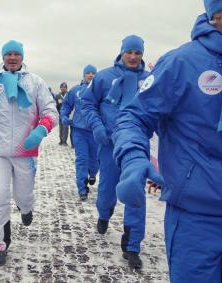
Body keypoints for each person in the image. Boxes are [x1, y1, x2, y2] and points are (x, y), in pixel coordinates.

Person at [112, 1, 222, 281]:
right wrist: (133, 158)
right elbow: (134, 117)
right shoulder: (182, 62)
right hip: (200, 216)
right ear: (215, 14)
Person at [0, 40, 58, 266]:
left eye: (15, 54)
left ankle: (26, 208)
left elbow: (50, 110)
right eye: (7, 54)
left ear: (21, 57)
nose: (11, 58)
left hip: (25, 149)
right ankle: (0, 245)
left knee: (23, 195)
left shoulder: (35, 81)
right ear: (3, 57)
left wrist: (41, 129)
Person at [80, 35, 149, 269]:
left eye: (137, 53)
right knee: (108, 189)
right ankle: (104, 213)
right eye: (129, 52)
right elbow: (87, 104)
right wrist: (97, 126)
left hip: (135, 147)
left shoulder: (150, 80)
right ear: (121, 52)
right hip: (109, 144)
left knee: (135, 192)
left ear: (141, 55)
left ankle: (131, 245)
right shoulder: (104, 77)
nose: (132, 56)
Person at [61, 65, 99, 201]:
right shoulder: (76, 90)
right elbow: (66, 105)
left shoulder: (100, 90)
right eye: (88, 73)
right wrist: (65, 116)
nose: (90, 75)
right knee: (81, 159)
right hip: (79, 131)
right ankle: (82, 188)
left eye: (93, 73)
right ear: (84, 75)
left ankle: (93, 173)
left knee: (95, 159)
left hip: (95, 131)